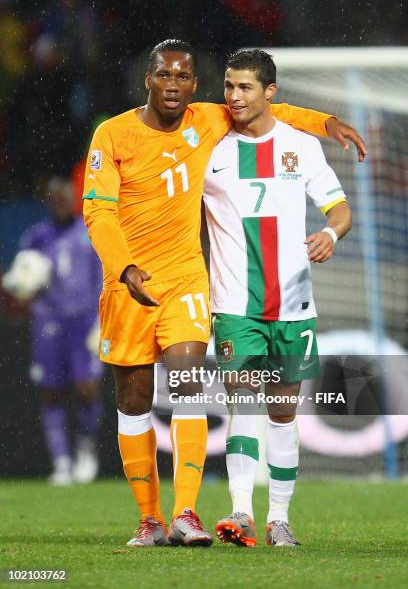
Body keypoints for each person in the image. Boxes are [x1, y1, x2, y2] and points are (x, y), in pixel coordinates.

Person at [82, 39, 365, 547]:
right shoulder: (119, 134)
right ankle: (155, 518)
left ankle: (193, 513)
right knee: (135, 399)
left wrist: (324, 123)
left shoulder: (216, 123)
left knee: (202, 384)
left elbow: (271, 108)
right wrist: (123, 267)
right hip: (140, 284)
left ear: (193, 85)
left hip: (202, 283)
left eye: (183, 77)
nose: (173, 85)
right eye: (163, 75)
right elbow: (98, 211)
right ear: (147, 78)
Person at [204, 49, 352, 547]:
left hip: (293, 305)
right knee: (243, 403)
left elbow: (339, 210)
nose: (234, 96)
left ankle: (280, 519)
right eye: (228, 86)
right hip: (233, 304)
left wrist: (330, 235)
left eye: (245, 87)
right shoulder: (211, 146)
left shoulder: (301, 147)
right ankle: (241, 512)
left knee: (283, 412)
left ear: (270, 92)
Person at [3, 177, 103, 485]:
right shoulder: (36, 237)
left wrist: (103, 320)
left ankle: (86, 446)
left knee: (87, 388)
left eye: (65, 198)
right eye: (55, 198)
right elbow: (18, 281)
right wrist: (18, 284)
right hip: (48, 321)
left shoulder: (89, 233)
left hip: (84, 319)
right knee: (51, 391)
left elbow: (103, 278)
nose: (60, 202)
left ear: (73, 200)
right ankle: (61, 461)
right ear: (48, 201)